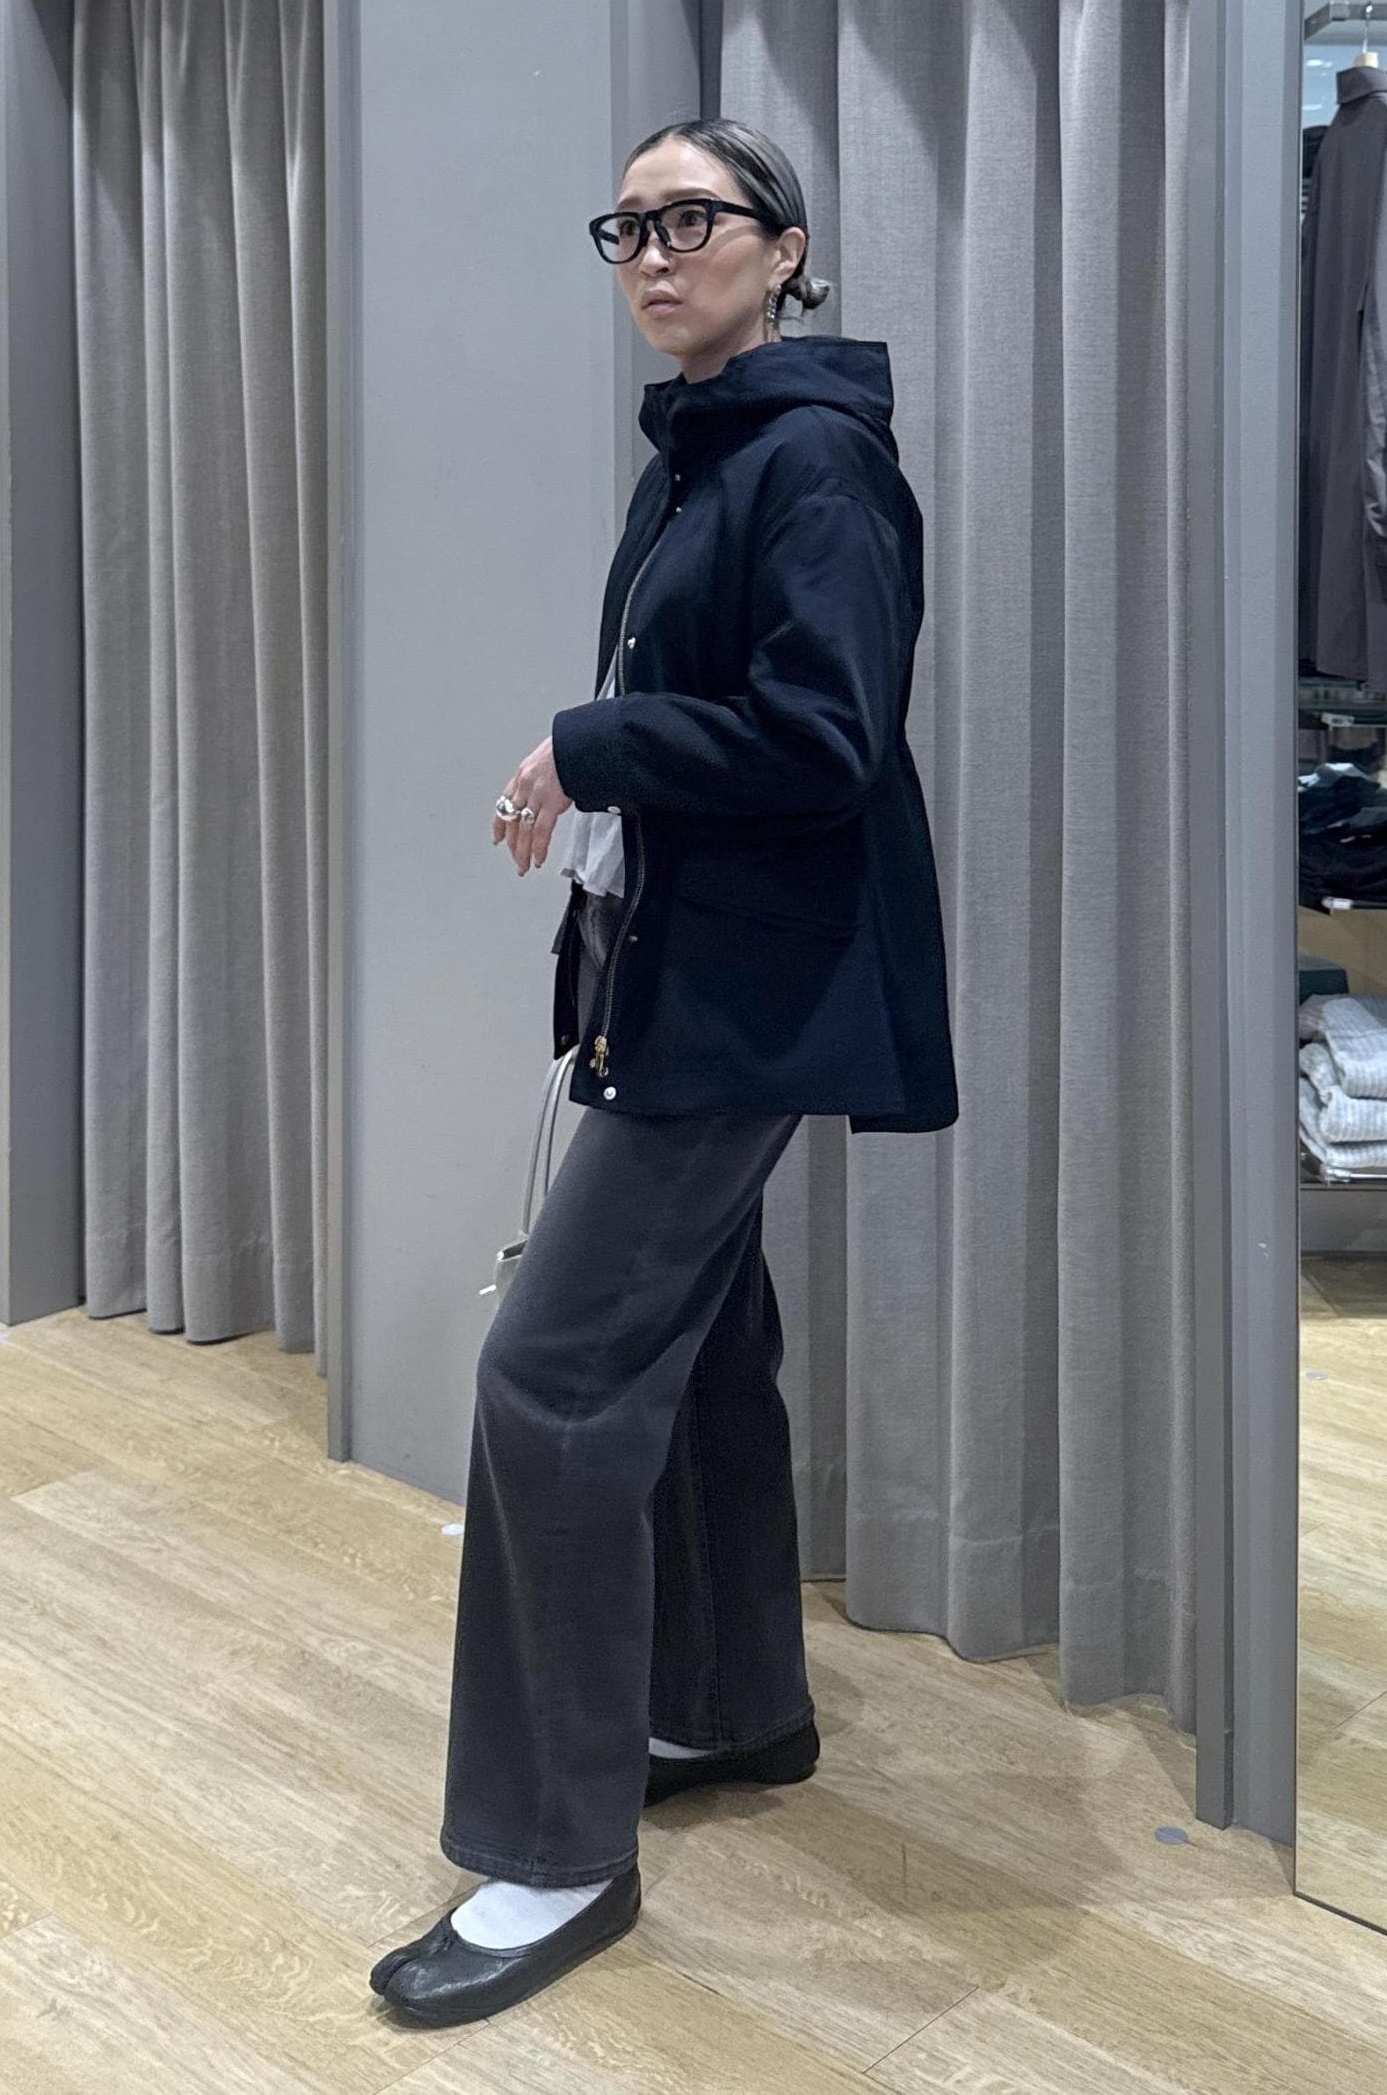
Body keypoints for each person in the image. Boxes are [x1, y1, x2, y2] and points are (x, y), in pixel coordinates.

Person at [369, 115, 957, 2029]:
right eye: (625, 226)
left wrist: (596, 740)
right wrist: (610, 761)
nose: (652, 251)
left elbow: (827, 735)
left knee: (548, 1381)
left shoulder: (816, 463)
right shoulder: (706, 447)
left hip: (744, 995)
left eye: (692, 218)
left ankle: (555, 1846)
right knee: (695, 1346)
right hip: (687, 972)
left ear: (786, 250)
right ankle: (730, 1701)